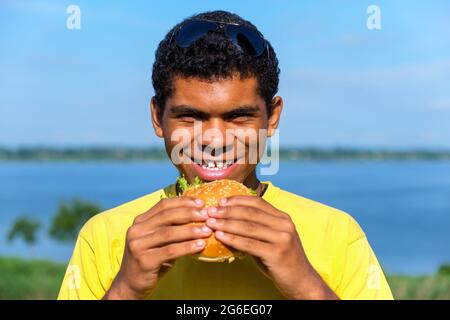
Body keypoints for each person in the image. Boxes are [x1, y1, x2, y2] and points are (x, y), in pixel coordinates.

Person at [57, 10, 393, 300]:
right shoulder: (106, 235)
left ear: (272, 117)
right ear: (157, 117)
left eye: (238, 116)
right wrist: (126, 288)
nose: (214, 140)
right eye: (190, 116)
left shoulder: (336, 233)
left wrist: (306, 284)